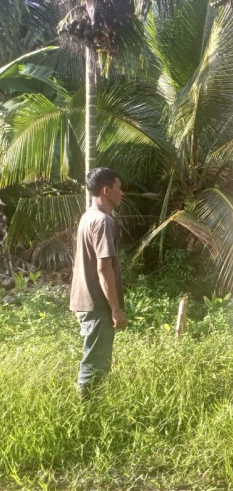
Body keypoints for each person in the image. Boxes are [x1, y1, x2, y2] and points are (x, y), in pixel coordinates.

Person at [69, 168, 127, 399]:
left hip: (85, 301)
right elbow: (104, 269)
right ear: (106, 190)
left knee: (96, 358)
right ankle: (88, 411)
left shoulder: (87, 217)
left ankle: (93, 405)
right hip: (97, 304)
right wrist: (115, 309)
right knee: (95, 362)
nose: (121, 192)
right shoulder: (103, 221)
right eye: (118, 187)